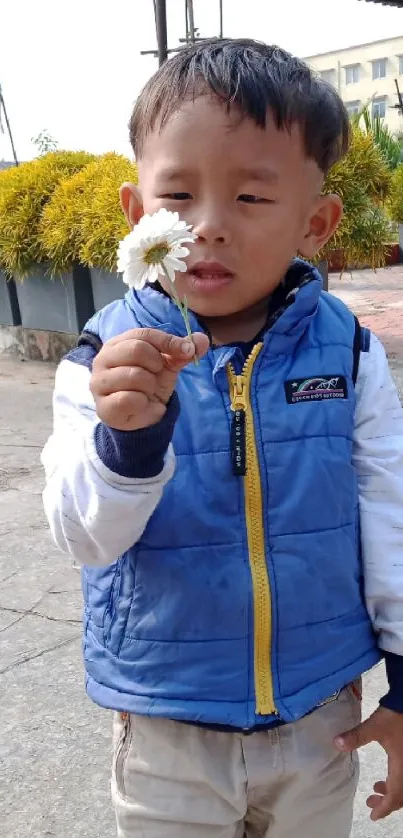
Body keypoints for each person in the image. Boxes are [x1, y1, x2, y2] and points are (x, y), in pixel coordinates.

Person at [41, 39, 403, 838]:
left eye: (249, 197)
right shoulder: (100, 363)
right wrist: (126, 444)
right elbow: (83, 538)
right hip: (167, 726)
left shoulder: (347, 354)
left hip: (320, 716)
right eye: (177, 194)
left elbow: (390, 514)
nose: (205, 227)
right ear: (138, 215)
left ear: (315, 223)